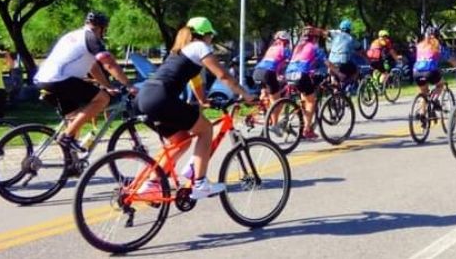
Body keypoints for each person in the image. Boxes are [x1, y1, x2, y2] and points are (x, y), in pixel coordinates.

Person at [136, 17, 256, 199]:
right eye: (211, 37)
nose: (211, 41)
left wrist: (203, 100)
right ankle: (200, 183)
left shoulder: (179, 50)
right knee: (206, 129)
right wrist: (245, 94)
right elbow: (222, 75)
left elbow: (195, 79)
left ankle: (151, 183)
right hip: (162, 98)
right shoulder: (200, 46)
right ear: (205, 35)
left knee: (180, 139)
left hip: (144, 98)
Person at [34, 12, 137, 152]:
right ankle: (66, 136)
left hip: (44, 79)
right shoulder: (91, 38)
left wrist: (108, 85)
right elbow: (109, 64)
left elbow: (94, 67)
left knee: (74, 118)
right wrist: (128, 85)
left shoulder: (73, 35)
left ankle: (71, 163)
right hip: (60, 80)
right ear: (102, 28)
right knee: (103, 99)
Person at [282, 26, 328, 140]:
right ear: (314, 38)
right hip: (301, 75)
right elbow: (327, 63)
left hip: (288, 74)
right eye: (317, 37)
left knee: (305, 98)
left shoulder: (298, 47)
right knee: (312, 101)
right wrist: (338, 73)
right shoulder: (314, 47)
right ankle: (307, 129)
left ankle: (301, 119)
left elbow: (303, 61)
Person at [252, 31, 292, 108]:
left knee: (264, 92)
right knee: (276, 102)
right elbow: (293, 61)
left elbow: (272, 63)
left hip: (257, 71)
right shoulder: (284, 50)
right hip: (267, 73)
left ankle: (261, 111)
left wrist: (277, 74)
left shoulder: (271, 48)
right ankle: (273, 119)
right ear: (286, 41)